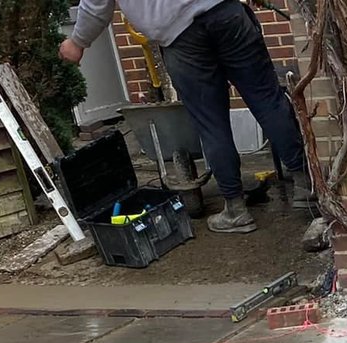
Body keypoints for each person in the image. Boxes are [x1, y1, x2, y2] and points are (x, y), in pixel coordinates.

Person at [61, 1, 314, 234]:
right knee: (267, 100)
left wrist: (77, 42)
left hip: (181, 37)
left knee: (211, 122)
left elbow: (96, 7)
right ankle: (307, 187)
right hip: (225, 13)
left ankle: (236, 210)